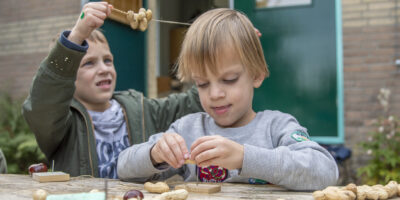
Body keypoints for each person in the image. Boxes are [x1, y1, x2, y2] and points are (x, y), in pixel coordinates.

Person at [117, 8, 338, 190]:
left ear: (257, 74)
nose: (215, 94)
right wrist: (155, 154)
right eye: (202, 84)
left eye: (229, 79)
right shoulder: (188, 129)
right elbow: (124, 168)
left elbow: (325, 171)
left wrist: (245, 158)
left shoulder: (277, 127)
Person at [22, 2, 203, 178]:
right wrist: (76, 37)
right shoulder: (60, 123)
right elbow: (43, 103)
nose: (104, 69)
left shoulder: (141, 109)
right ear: (69, 77)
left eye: (108, 60)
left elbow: (195, 100)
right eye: (89, 63)